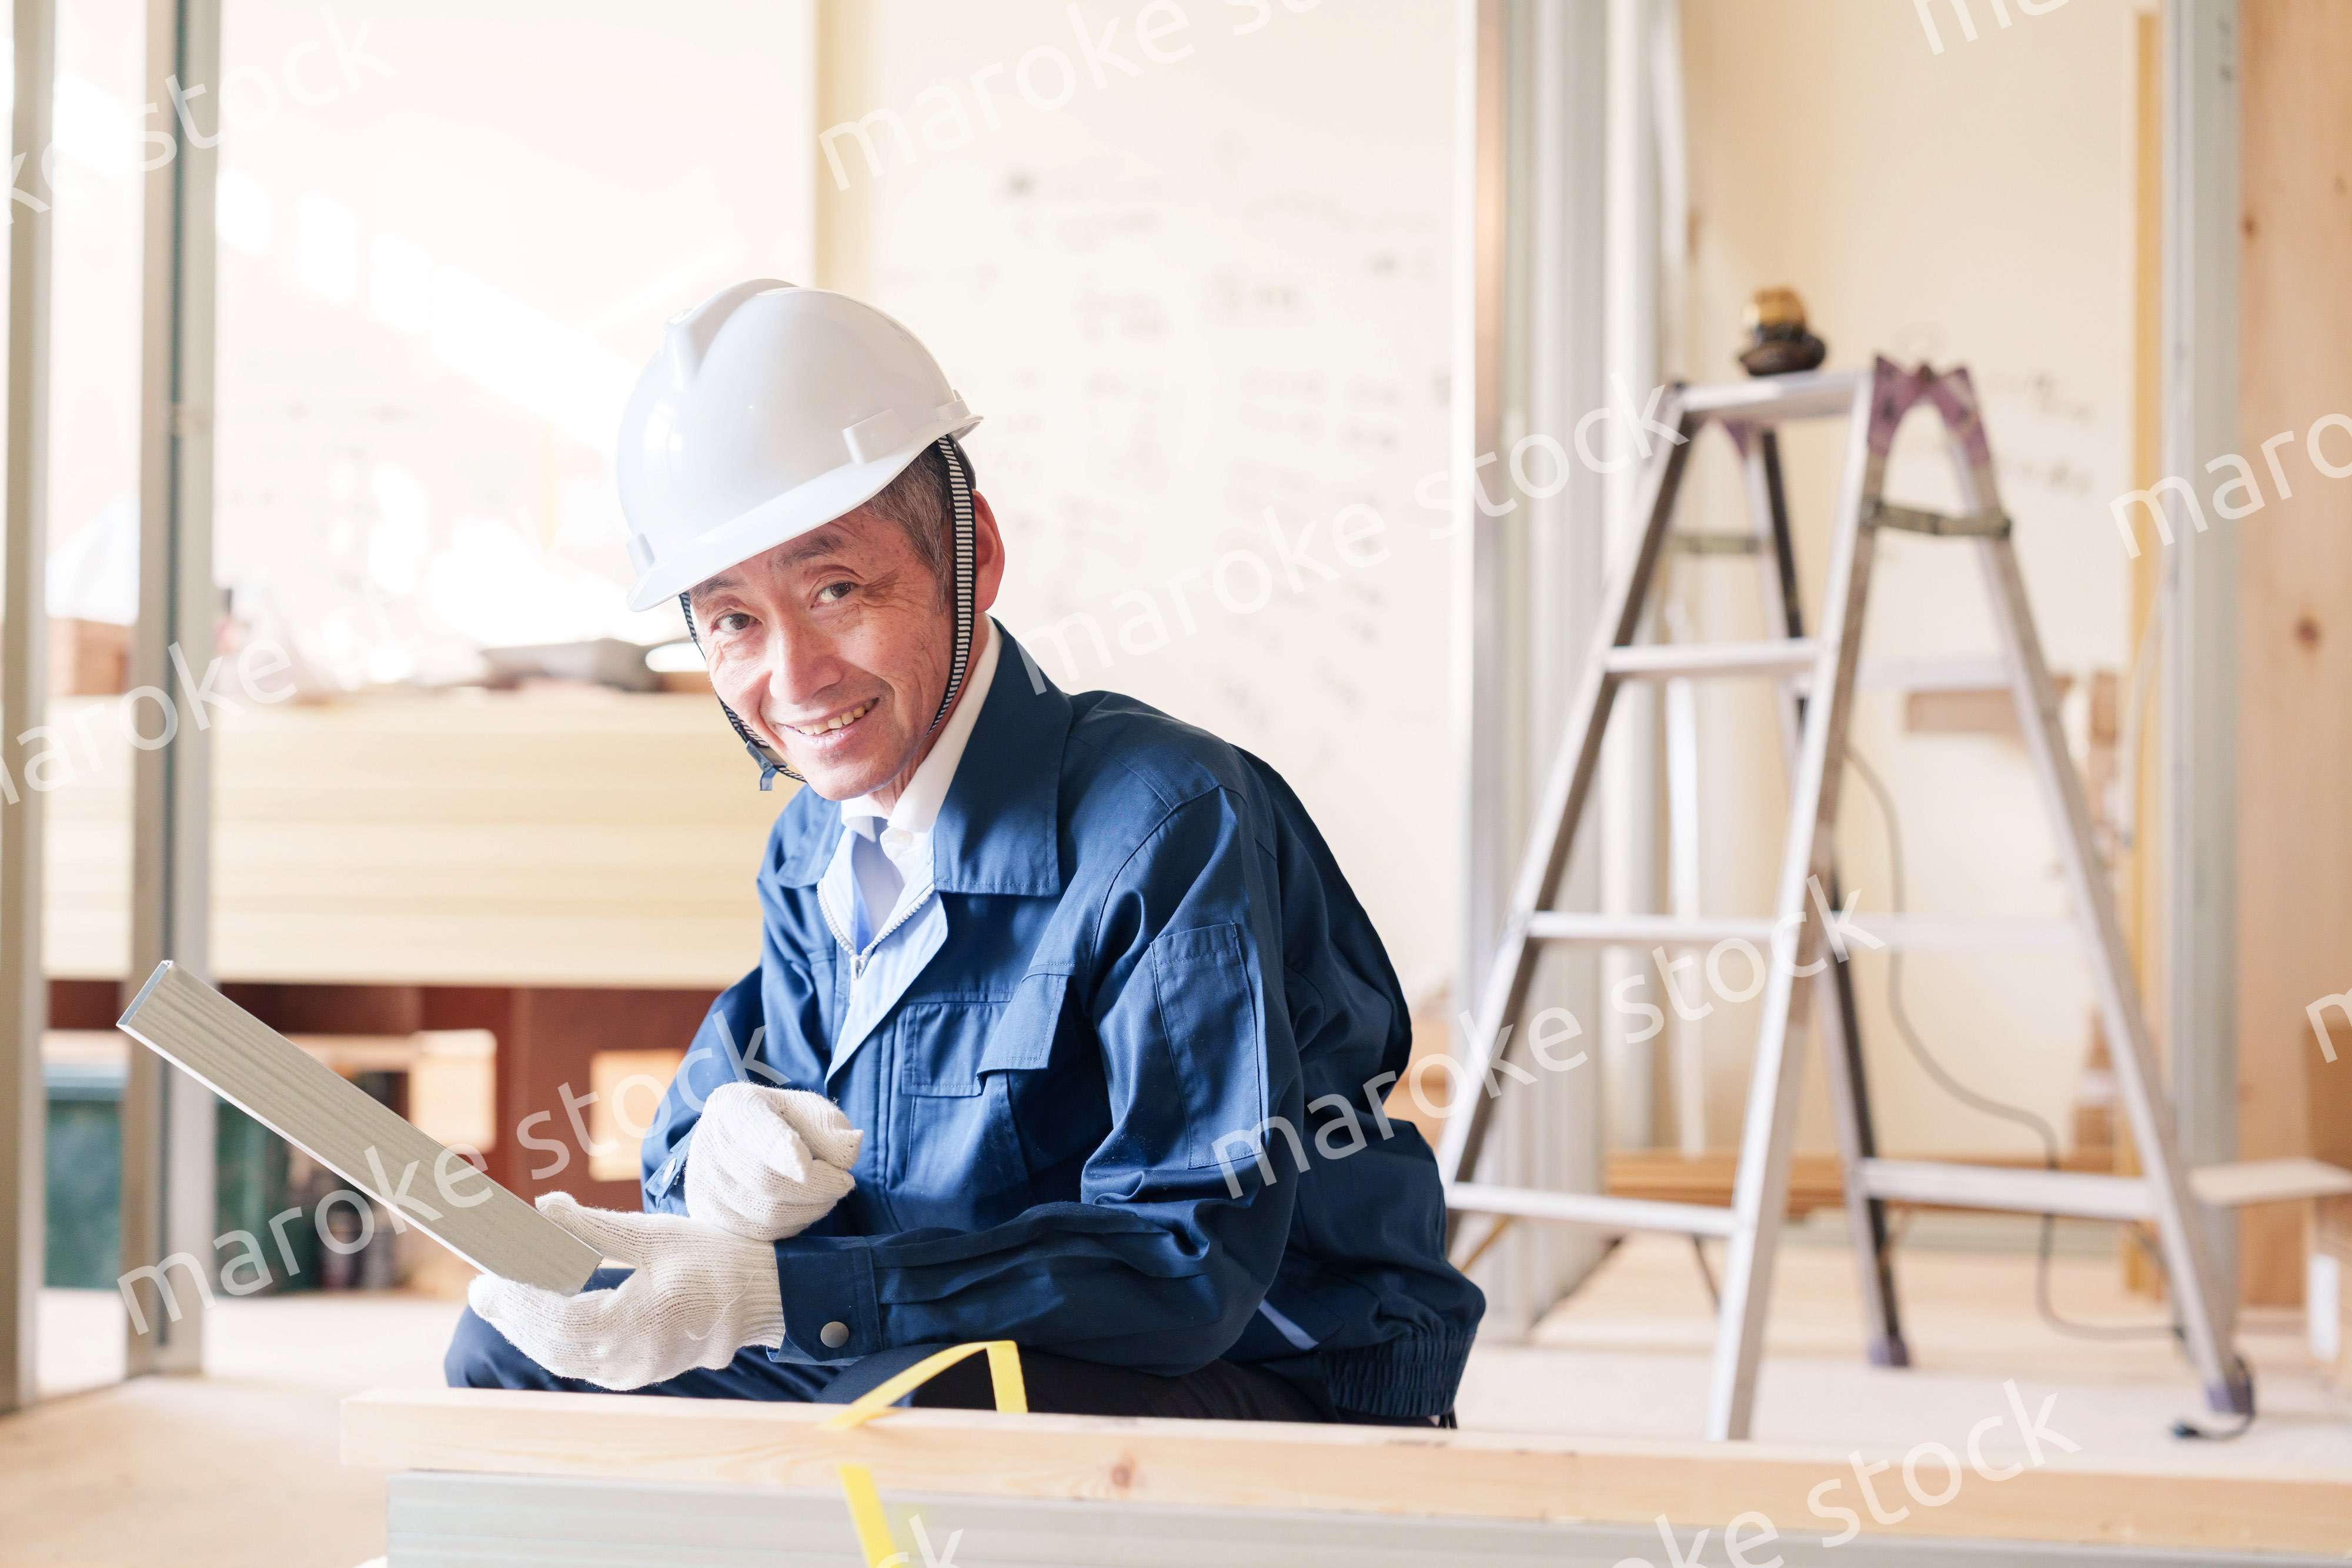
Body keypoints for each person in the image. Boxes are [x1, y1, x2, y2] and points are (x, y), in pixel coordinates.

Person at [447, 281, 1481, 1425]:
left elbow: (1186, 1262)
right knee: (516, 1342)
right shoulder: (814, 843)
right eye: (734, 619)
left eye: (834, 588)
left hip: (1260, 1357)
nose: (791, 681)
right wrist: (713, 1157)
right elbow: (754, 1080)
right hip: (941, 1323)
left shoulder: (1167, 820)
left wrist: (777, 1296)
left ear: (972, 555)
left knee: (903, 1406)